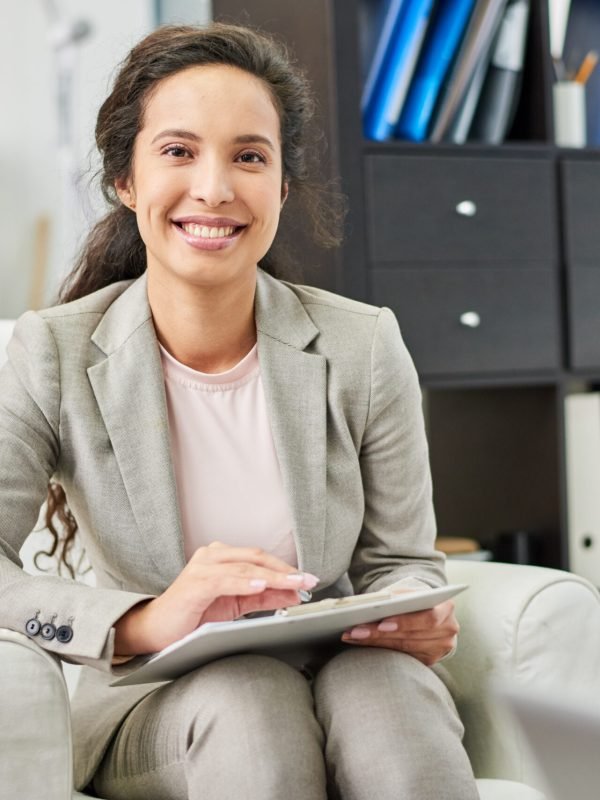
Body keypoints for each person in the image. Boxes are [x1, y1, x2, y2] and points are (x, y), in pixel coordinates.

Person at [0, 22, 479, 800]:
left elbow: (401, 563)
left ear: (283, 187)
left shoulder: (363, 344)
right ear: (125, 178)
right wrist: (151, 618)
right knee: (252, 697)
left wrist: (410, 615)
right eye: (179, 151)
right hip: (156, 699)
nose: (216, 189)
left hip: (341, 670)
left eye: (249, 156)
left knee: (392, 700)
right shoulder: (53, 353)